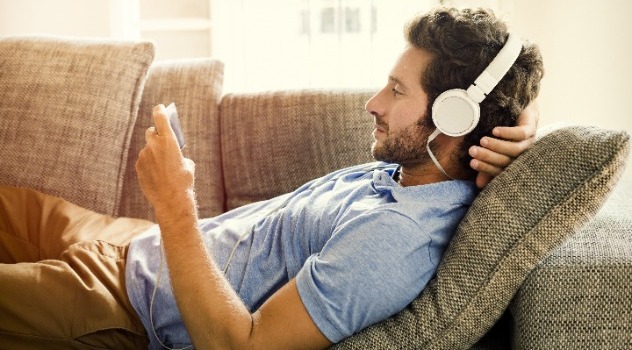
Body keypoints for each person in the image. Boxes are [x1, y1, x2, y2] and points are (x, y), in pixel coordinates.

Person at [0, 6, 544, 350]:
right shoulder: (414, 168)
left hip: (128, 303)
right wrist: (525, 119)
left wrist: (173, 204)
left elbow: (239, 345)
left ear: (455, 119)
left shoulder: (394, 240)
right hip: (134, 243)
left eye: (397, 92)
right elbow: (510, 86)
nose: (372, 103)